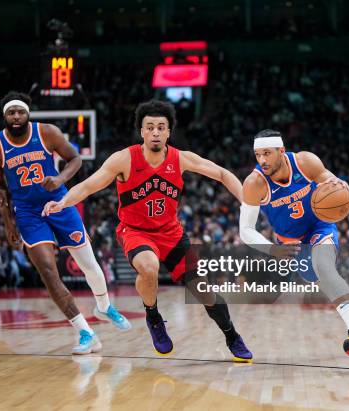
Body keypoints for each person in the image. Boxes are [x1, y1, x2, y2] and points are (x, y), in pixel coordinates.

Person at [43, 100, 253, 362]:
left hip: (172, 233)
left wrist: (247, 202)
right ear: (142, 131)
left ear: (168, 132)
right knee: (149, 266)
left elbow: (222, 174)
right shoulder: (123, 159)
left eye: (161, 127)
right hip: (135, 232)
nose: (155, 132)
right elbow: (87, 186)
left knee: (204, 289)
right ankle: (153, 316)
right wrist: (63, 202)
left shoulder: (181, 158)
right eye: (150, 127)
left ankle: (231, 334)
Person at [0, 91, 131, 355]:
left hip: (60, 204)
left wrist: (60, 179)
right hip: (28, 213)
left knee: (89, 265)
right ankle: (86, 332)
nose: (16, 117)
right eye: (10, 113)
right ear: (4, 116)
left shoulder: (47, 132)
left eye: (20, 111)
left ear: (28, 113)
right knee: (49, 274)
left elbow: (75, 159)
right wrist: (8, 223)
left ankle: (104, 306)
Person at [238, 129, 349, 364]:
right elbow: (246, 230)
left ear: (281, 151)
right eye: (257, 154)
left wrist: (340, 191)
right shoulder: (254, 183)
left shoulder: (305, 162)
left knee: (323, 267)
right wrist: (272, 249)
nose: (262, 160)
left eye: (267, 153)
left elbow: (337, 186)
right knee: (315, 277)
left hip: (320, 226)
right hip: (289, 242)